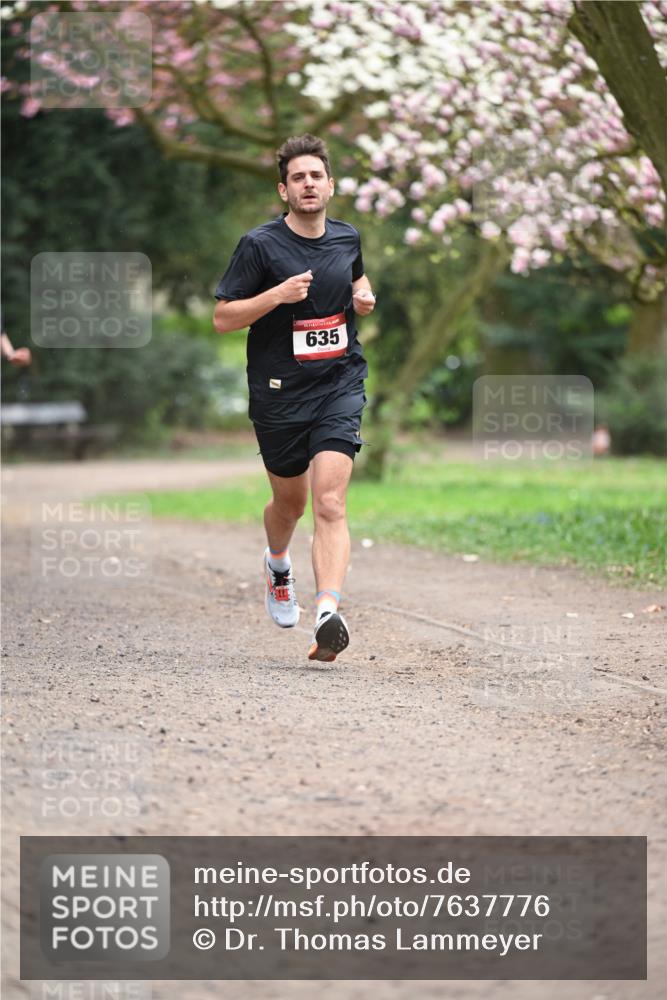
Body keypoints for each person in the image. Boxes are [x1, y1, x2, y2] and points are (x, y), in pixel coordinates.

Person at [213, 133, 375, 662]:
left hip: (339, 383)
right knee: (292, 503)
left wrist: (362, 294)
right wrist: (277, 296)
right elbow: (222, 318)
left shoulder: (348, 237)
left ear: (331, 185)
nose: (309, 184)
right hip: (280, 392)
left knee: (330, 500)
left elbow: (355, 274)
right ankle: (278, 564)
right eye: (298, 178)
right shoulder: (260, 246)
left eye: (316, 176)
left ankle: (327, 611)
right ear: (284, 191)